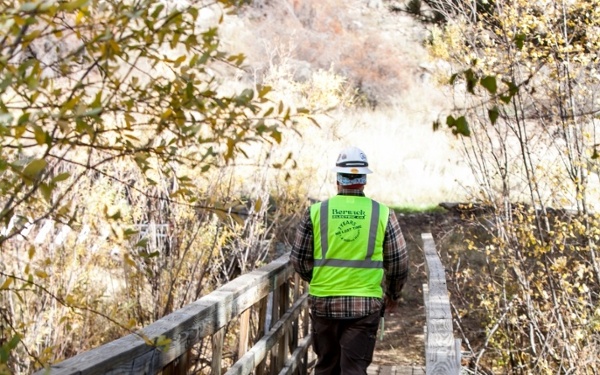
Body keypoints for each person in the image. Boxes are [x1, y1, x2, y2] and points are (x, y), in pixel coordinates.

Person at [290, 146, 409, 375]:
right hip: (364, 306)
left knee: (326, 367)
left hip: (324, 302)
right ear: (364, 180)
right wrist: (393, 295)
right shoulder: (382, 213)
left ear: (338, 179)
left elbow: (298, 260)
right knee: (354, 370)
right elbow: (399, 262)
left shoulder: (316, 212)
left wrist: (320, 278)